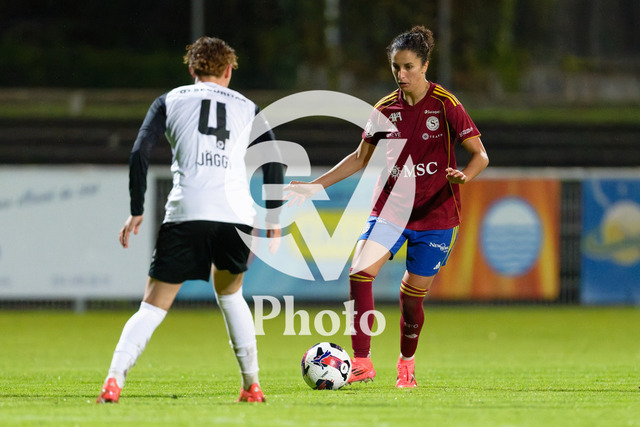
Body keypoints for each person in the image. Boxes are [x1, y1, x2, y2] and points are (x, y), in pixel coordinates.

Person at [285, 26, 488, 388]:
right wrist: (315, 186)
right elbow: (359, 157)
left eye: (408, 66)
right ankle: (362, 361)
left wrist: (465, 175)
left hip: (437, 216)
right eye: (396, 67)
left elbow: (480, 155)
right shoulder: (385, 109)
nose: (401, 74)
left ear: (424, 66)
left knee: (411, 300)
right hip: (390, 210)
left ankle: (406, 362)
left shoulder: (446, 104)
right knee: (359, 272)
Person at [96, 36, 283, 403]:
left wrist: (137, 208)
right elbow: (274, 160)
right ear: (228, 71)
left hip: (187, 212)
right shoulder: (248, 107)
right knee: (231, 295)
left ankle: (113, 382)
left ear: (193, 70)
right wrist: (274, 215)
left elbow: (139, 152)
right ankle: (252, 386)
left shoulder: (170, 99)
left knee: (152, 306)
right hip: (234, 216)